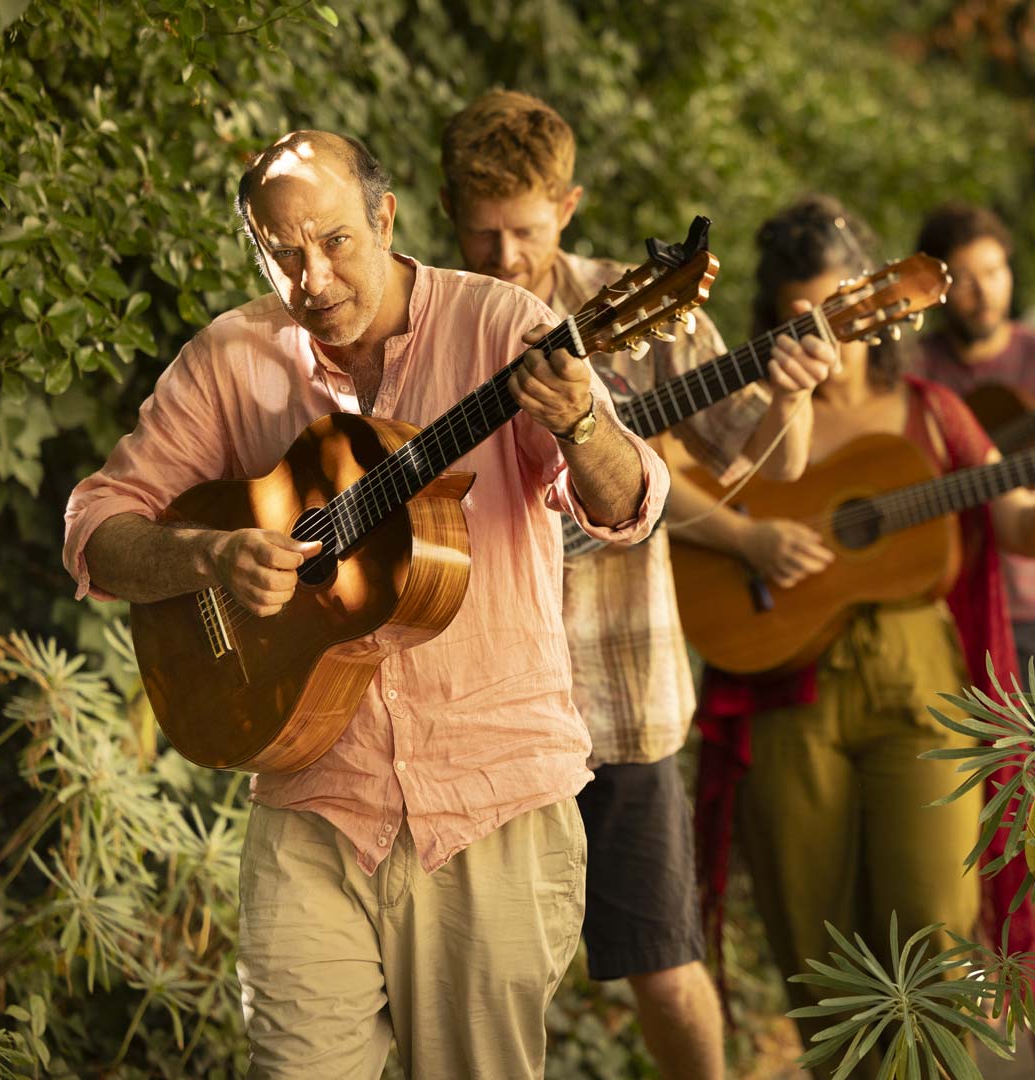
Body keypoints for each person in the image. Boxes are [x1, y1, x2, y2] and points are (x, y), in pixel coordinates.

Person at [62, 130, 671, 1080]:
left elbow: (627, 501)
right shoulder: (232, 357)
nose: (314, 276)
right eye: (284, 251)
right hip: (312, 795)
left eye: (336, 241)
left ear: (385, 219)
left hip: (490, 803)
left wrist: (583, 420)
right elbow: (97, 521)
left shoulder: (500, 324)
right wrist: (211, 556)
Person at [440, 90, 837, 1080]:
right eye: (481, 233)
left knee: (663, 968)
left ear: (566, 205)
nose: (502, 257)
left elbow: (763, 461)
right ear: (449, 212)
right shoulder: (429, 319)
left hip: (617, 691)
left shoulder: (637, 298)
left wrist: (789, 397)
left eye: (524, 231)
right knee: (473, 975)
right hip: (474, 701)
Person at [686, 193, 1035, 1079]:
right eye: (802, 314)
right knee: (820, 944)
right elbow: (690, 503)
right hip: (787, 692)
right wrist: (757, 522)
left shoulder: (930, 411)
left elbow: (1014, 522)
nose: (826, 329)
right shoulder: (747, 416)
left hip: (917, 679)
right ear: (773, 320)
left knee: (935, 926)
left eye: (839, 305)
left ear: (877, 306)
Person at [911, 202, 1035, 663]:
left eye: (995, 271)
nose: (985, 293)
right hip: (934, 602)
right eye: (965, 279)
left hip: (1026, 605)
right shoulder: (912, 371)